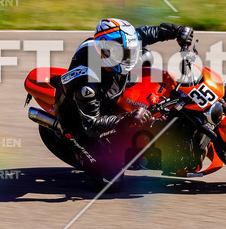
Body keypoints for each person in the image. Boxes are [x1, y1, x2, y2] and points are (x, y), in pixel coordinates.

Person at [51, 18, 194, 185]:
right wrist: (129, 118)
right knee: (111, 181)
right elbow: (92, 126)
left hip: (109, 95)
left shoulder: (114, 45)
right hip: (80, 121)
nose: (129, 58)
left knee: (146, 58)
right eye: (124, 54)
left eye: (130, 52)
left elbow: (144, 34)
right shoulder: (87, 84)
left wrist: (176, 31)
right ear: (105, 53)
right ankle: (83, 152)